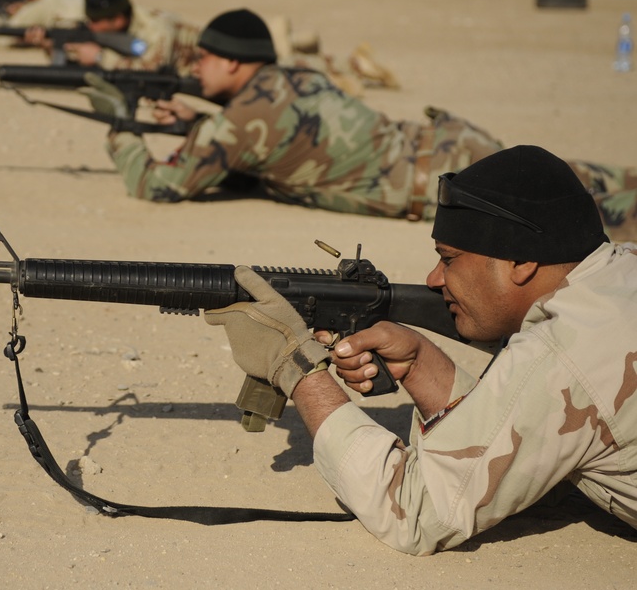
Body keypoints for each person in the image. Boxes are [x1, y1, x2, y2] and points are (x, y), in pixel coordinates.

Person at [202, 144, 637, 554]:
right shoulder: (618, 278)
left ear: (521, 262)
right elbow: (533, 450)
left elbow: (415, 512)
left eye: (448, 259)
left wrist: (296, 366)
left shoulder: (564, 354)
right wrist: (421, 366)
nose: (433, 278)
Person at [83, 8, 637, 242]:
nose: (193, 67)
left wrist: (118, 122)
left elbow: (156, 185)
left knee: (594, 216)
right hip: (448, 143)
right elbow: (276, 138)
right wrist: (195, 124)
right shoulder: (289, 78)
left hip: (445, 183)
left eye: (202, 57)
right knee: (584, 175)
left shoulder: (239, 123)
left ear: (231, 62)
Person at [73, 0, 397, 95]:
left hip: (228, 57)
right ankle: (350, 62)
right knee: (287, 58)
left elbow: (152, 65)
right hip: (219, 59)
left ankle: (345, 73)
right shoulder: (139, 21)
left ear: (116, 19)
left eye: (97, 23)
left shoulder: (157, 28)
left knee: (283, 67)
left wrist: (99, 58)